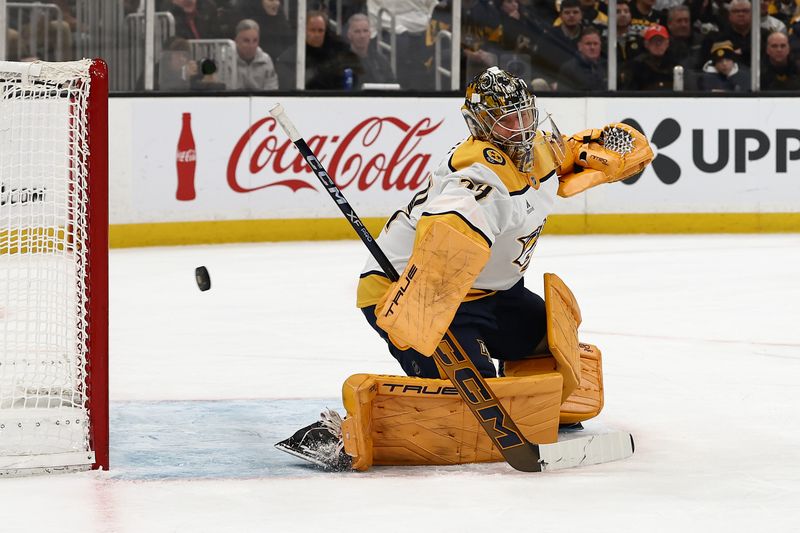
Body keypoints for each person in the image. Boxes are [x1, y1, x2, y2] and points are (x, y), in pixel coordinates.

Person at [276, 67, 653, 470]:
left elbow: (574, 151)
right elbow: (449, 222)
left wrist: (610, 150)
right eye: (507, 120)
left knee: (554, 347)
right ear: (481, 126)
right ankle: (345, 432)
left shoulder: (539, 150)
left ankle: (537, 408)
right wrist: (424, 299)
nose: (521, 128)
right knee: (470, 404)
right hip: (412, 294)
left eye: (525, 114)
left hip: (493, 293)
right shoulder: (478, 174)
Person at [275, 10, 361, 90]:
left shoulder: (336, 55)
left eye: (320, 31)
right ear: (303, 31)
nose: (317, 35)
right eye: (313, 30)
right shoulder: (290, 58)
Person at [623, 23, 680, 90]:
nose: (658, 44)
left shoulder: (676, 65)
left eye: (661, 40)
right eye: (654, 40)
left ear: (667, 43)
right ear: (646, 44)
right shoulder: (637, 66)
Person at [345, 13, 396, 86]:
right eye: (357, 31)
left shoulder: (381, 61)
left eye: (365, 31)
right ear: (349, 35)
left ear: (370, 34)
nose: (362, 36)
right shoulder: (341, 61)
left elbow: (392, 87)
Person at [233, 19, 279, 90]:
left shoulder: (266, 60)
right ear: (236, 41)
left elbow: (272, 91)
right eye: (246, 41)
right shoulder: (225, 60)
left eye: (255, 41)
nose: (251, 46)